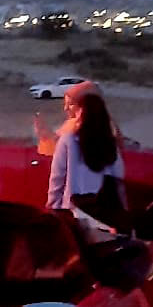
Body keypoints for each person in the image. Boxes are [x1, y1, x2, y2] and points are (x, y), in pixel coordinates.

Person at [47, 82, 127, 229]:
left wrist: (53, 207)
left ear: (82, 109)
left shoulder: (68, 139)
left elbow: (57, 177)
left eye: (71, 104)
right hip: (105, 212)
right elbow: (119, 179)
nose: (66, 109)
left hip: (76, 211)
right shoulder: (110, 141)